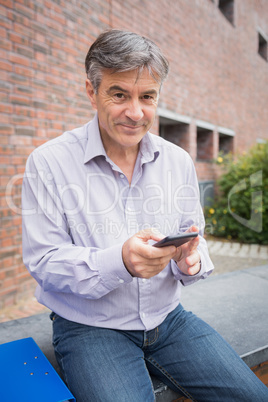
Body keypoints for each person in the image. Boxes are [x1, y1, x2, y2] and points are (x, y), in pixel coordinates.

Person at [22, 29, 268, 402]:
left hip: (169, 319)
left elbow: (194, 236)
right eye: (119, 94)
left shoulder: (178, 160)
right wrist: (120, 260)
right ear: (92, 92)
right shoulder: (48, 162)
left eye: (147, 96)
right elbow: (43, 261)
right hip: (90, 328)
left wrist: (191, 259)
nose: (135, 112)